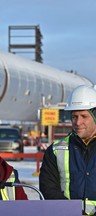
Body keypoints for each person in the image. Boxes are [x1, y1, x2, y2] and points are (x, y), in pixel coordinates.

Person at [39, 85, 96, 215]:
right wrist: (71, 212)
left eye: (84, 116)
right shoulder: (55, 150)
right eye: (74, 116)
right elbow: (49, 188)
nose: (77, 122)